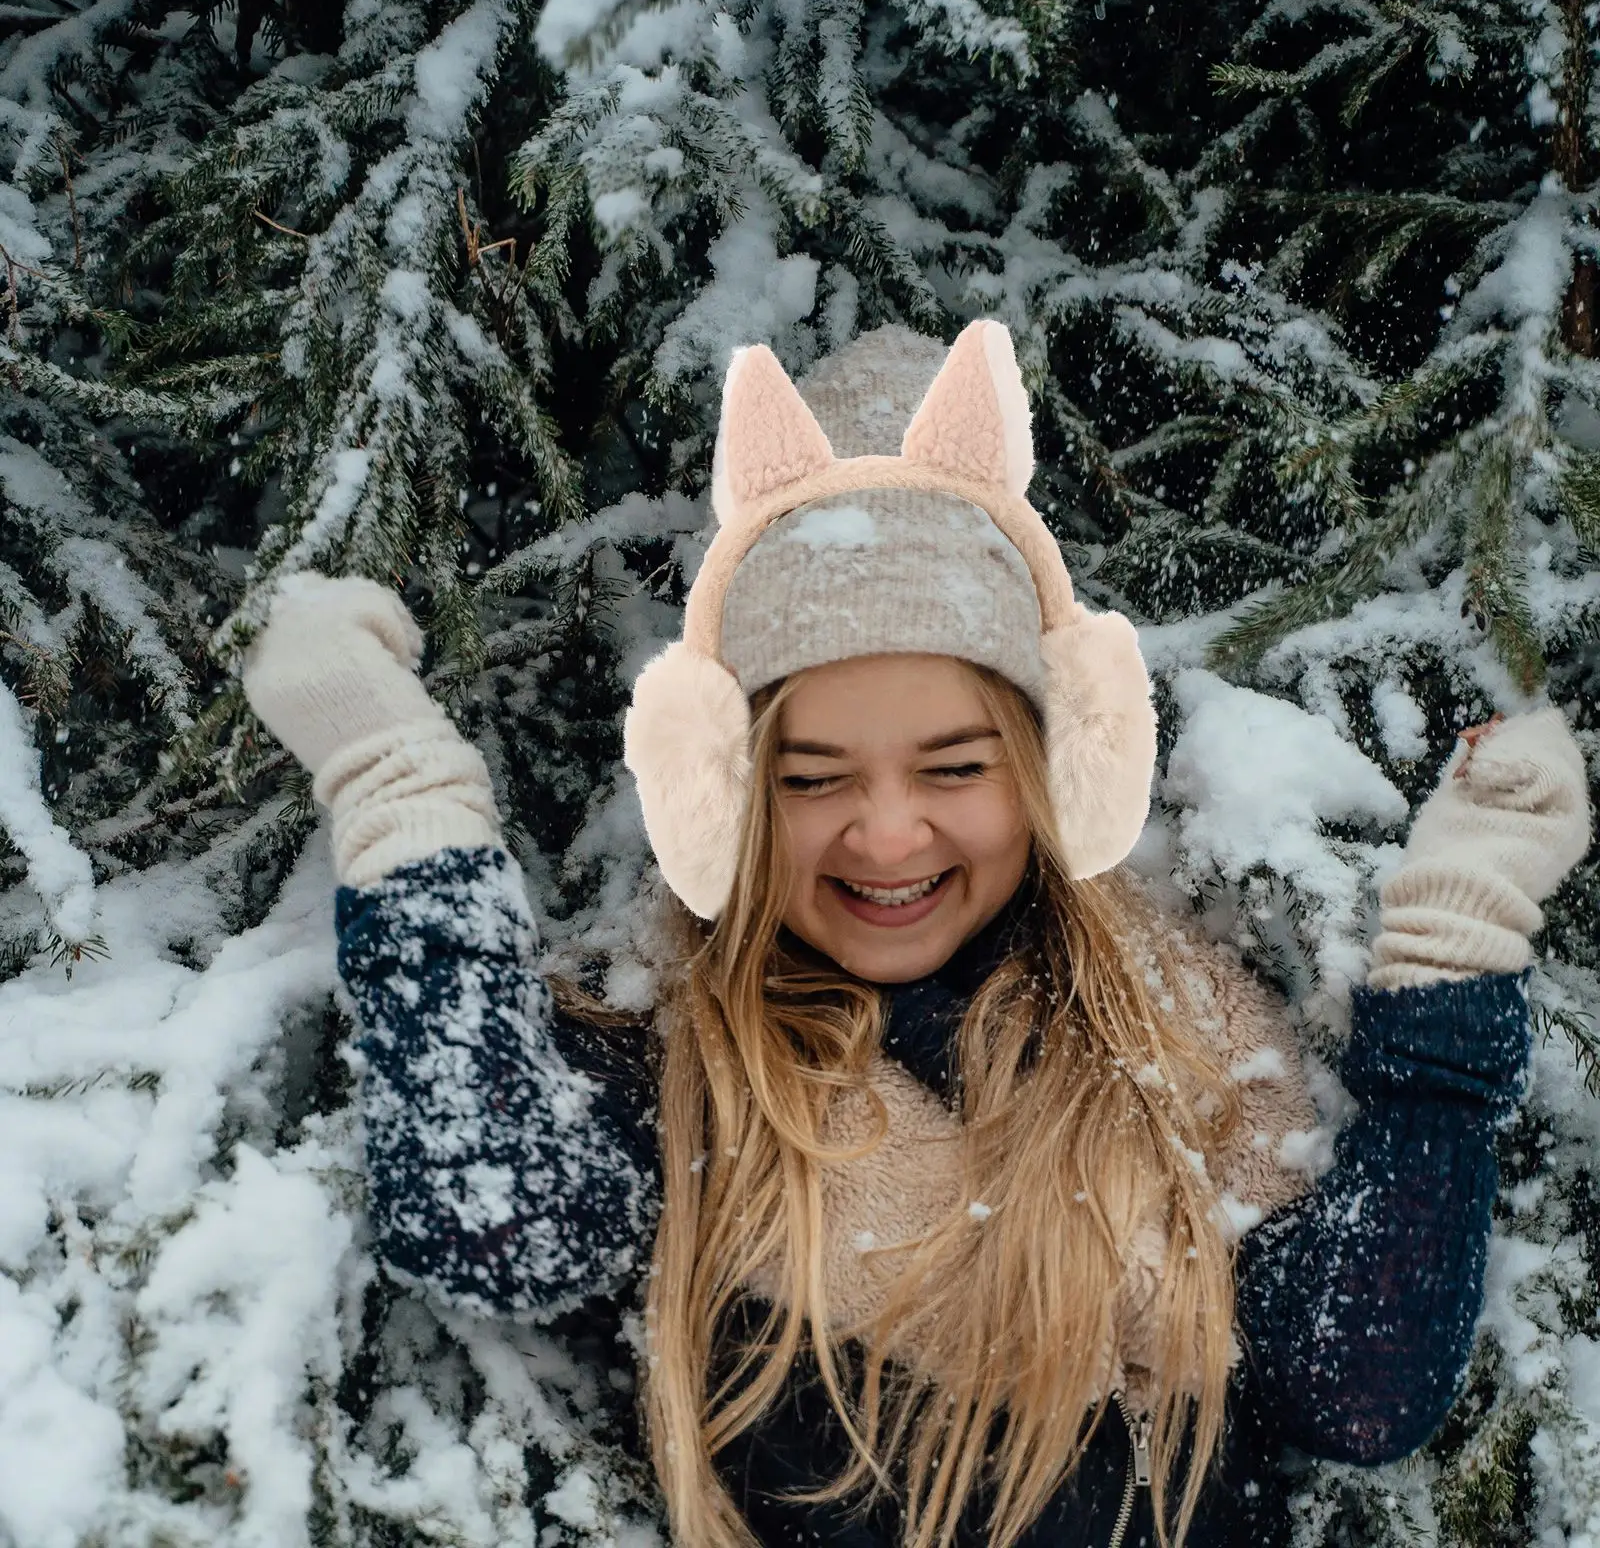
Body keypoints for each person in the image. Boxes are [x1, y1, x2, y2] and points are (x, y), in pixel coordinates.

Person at [243, 321, 1592, 1548]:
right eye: (813, 777)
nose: (887, 839)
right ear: (725, 786)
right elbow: (493, 1223)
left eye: (956, 769)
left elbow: (1356, 1387)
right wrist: (402, 794)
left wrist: (1451, 949)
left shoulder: (1177, 1032)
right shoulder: (678, 1057)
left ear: (1055, 770)